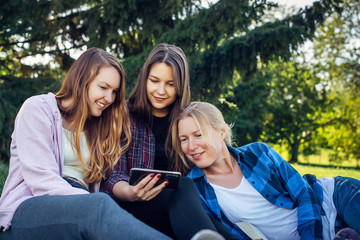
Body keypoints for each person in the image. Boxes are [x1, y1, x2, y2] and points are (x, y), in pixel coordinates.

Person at [0, 48, 172, 239]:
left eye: (114, 92)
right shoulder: (38, 109)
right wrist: (91, 202)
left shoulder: (98, 127)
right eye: (103, 88)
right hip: (29, 208)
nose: (109, 98)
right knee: (100, 204)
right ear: (82, 80)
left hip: (80, 209)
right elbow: (41, 181)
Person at [171, 101, 360, 240]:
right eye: (184, 139)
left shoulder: (258, 152)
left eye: (198, 135)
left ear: (221, 132)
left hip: (334, 199)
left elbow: (304, 192)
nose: (191, 146)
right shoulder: (195, 189)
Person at [104, 43, 233, 240]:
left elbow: (210, 157)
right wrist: (131, 192)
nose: (161, 91)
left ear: (180, 86)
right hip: (131, 205)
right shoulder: (123, 115)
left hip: (177, 207)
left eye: (170, 84)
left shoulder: (185, 120)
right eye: (154, 81)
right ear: (145, 79)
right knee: (184, 186)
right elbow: (113, 176)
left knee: (216, 226)